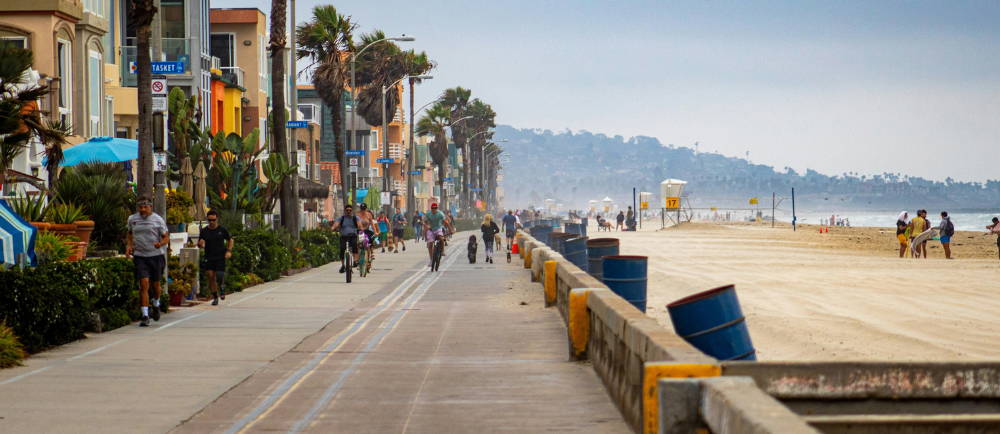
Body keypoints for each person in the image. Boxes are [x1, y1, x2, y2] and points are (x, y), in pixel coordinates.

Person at [126, 196, 170, 327]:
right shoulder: (132, 219)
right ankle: (145, 315)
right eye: (140, 207)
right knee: (144, 284)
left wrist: (160, 243)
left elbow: (166, 237)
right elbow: (129, 234)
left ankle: (156, 303)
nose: (143, 210)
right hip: (140, 256)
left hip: (156, 256)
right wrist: (129, 246)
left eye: (145, 207)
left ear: (151, 207)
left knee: (156, 286)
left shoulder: (158, 220)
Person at [198, 210, 233, 306]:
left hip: (220, 256)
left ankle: (222, 287)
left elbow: (230, 240)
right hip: (209, 256)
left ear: (217, 219)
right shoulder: (204, 231)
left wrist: (229, 251)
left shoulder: (222, 230)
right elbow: (200, 242)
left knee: (220, 275)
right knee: (210, 276)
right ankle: (215, 297)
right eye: (209, 220)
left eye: (213, 220)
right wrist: (200, 244)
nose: (211, 222)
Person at [331, 204, 360, 273]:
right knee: (342, 249)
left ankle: (355, 261)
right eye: (347, 210)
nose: (348, 212)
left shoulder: (355, 218)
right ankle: (343, 265)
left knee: (355, 246)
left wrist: (361, 228)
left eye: (350, 210)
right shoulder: (341, 218)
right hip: (343, 237)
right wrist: (332, 228)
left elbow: (359, 225)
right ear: (345, 211)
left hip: (353, 236)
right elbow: (335, 225)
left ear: (352, 211)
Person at [425, 203, 454, 267]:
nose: (434, 209)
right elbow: (425, 222)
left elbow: (446, 222)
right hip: (431, 229)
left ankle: (442, 251)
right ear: (431, 208)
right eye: (433, 208)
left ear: (437, 208)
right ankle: (431, 260)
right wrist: (426, 227)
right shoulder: (428, 214)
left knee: (441, 238)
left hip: (438, 229)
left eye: (435, 208)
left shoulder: (440, 214)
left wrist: (451, 230)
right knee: (430, 245)